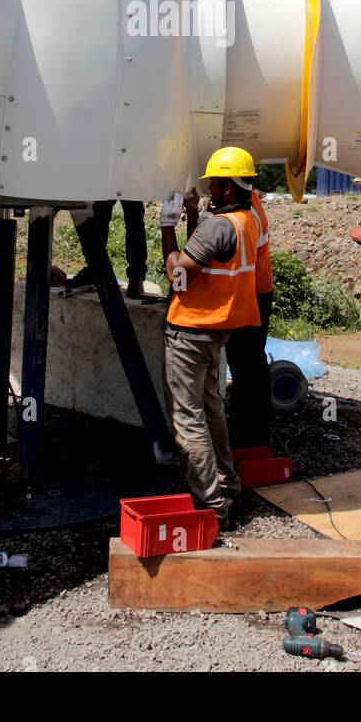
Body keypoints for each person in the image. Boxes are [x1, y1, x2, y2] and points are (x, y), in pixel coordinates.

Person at [160, 147, 261, 529]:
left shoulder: (219, 226)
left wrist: (166, 227)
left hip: (191, 330)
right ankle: (229, 486)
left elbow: (180, 274)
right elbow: (204, 257)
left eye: (213, 184)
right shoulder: (246, 219)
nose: (209, 190)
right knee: (212, 407)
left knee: (189, 418)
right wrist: (190, 216)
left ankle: (210, 506)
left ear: (227, 186)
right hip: (217, 330)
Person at [225, 185, 273, 447]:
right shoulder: (249, 203)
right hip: (257, 290)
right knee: (250, 364)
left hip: (252, 293)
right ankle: (253, 430)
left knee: (246, 365)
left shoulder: (246, 215)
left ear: (229, 188)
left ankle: (250, 436)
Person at [66, 199, 148, 300]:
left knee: (134, 214)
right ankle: (93, 270)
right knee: (99, 210)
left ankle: (136, 277)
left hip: (132, 183)